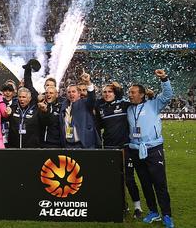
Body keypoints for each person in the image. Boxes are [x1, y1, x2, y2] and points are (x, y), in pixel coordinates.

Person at [127, 69, 174, 228]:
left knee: (160, 183)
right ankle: (153, 211)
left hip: (153, 149)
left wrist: (164, 79)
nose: (130, 95)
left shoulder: (154, 104)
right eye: (129, 92)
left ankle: (166, 214)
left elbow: (167, 95)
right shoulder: (128, 108)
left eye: (133, 92)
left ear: (141, 94)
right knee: (145, 183)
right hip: (135, 150)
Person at [95, 83, 142, 219]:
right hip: (109, 148)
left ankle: (137, 208)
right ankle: (122, 205)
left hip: (125, 147)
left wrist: (120, 89)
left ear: (115, 93)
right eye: (104, 92)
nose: (107, 94)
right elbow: (98, 126)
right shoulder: (101, 108)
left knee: (129, 179)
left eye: (110, 91)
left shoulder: (124, 105)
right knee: (113, 179)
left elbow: (138, 102)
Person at [59, 72, 100, 149]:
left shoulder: (85, 103)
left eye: (73, 92)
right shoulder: (64, 106)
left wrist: (88, 83)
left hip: (84, 145)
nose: (71, 94)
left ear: (78, 93)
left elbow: (92, 98)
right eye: (69, 92)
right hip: (68, 145)